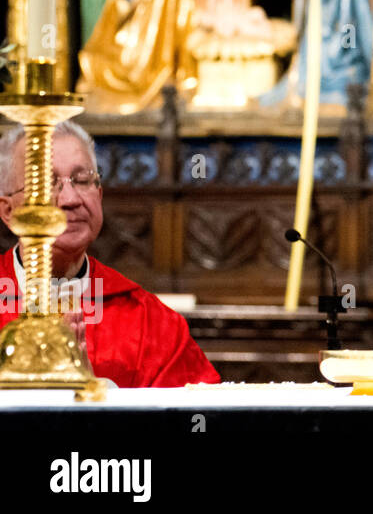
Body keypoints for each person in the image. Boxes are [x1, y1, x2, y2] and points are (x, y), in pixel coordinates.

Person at [0, 121, 220, 388]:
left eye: (82, 181)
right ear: (8, 211)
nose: (70, 199)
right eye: (46, 184)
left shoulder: (150, 323)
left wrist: (97, 395)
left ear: (99, 194)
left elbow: (197, 419)